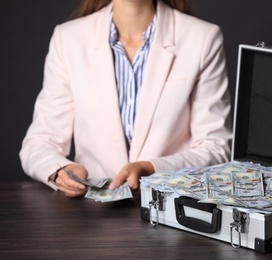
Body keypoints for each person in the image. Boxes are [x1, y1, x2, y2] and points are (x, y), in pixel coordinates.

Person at [19, 0, 232, 198]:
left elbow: (216, 148)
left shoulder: (202, 38)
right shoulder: (68, 38)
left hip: (171, 206)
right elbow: (39, 143)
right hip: (90, 214)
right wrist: (60, 170)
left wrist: (152, 168)